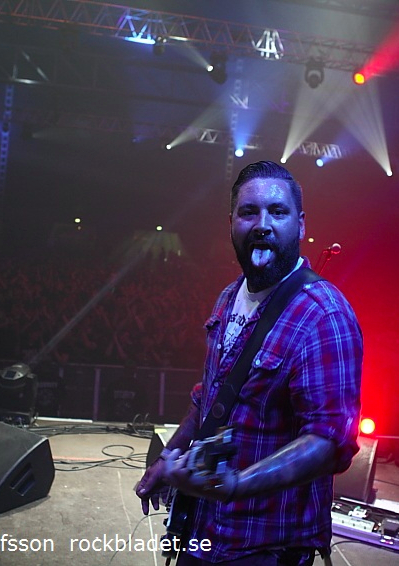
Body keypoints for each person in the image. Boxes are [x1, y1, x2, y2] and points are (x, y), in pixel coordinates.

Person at [135, 160, 363, 565]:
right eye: (248, 212)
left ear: (301, 225)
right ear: (231, 224)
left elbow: (331, 443)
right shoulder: (228, 297)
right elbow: (209, 400)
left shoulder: (323, 315)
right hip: (201, 528)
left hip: (263, 546)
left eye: (277, 212)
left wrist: (236, 485)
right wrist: (164, 462)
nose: (262, 224)